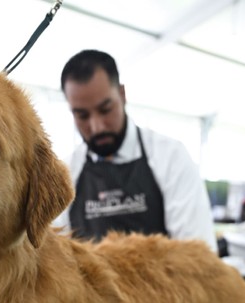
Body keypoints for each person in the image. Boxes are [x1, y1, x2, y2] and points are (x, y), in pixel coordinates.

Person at [57, 49, 216, 251]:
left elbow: (198, 256)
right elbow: (57, 258)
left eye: (105, 110)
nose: (96, 126)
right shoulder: (67, 173)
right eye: (82, 116)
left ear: (122, 95)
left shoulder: (170, 157)